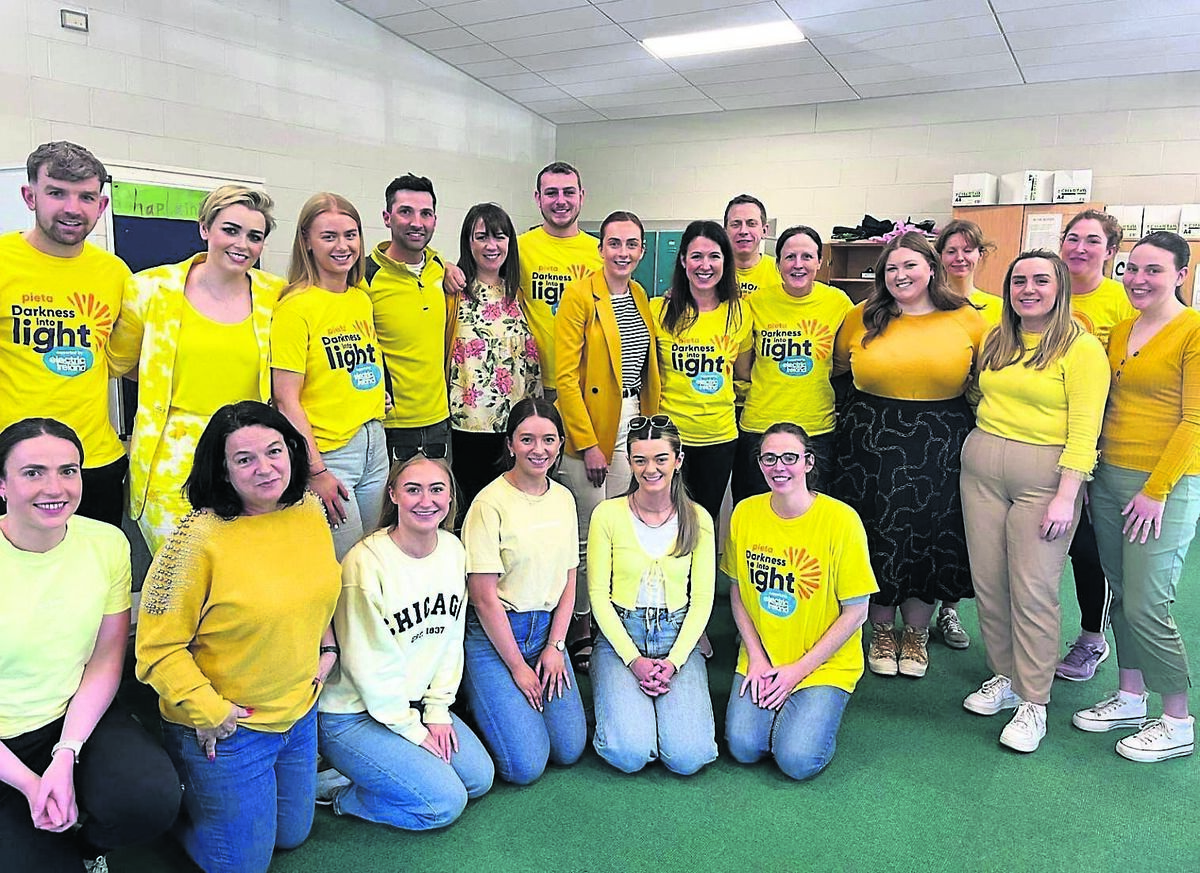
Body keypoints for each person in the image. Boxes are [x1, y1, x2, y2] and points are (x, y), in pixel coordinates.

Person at [135, 401, 341, 873]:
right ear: (223, 470)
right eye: (244, 459)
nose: (265, 468)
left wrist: (327, 647)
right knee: (242, 866)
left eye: (274, 451)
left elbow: (314, 591)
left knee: (292, 836)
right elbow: (155, 648)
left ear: (292, 450)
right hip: (227, 727)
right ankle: (173, 811)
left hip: (298, 712)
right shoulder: (195, 540)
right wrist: (210, 710)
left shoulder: (309, 509)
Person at [0, 418, 180, 873]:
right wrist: (30, 784)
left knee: (151, 799)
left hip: (73, 718)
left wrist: (66, 753)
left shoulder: (106, 543)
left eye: (69, 470)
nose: (54, 487)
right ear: (2, 485)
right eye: (33, 472)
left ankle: (86, 843)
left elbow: (104, 661)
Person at [959, 251, 1109, 753]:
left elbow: (1086, 430)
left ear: (1059, 286)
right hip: (982, 466)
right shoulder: (997, 338)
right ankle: (1004, 676)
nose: (1028, 289)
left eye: (1040, 280)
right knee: (989, 581)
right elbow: (981, 398)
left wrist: (1068, 495)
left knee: (1034, 587)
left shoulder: (1080, 348)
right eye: (1018, 281)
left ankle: (1034, 699)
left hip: (1045, 478)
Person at [833, 231, 987, 679]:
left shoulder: (968, 318)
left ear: (932, 269)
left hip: (940, 441)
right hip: (869, 441)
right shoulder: (862, 316)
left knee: (929, 534)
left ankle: (916, 633)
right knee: (875, 532)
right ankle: (880, 628)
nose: (900, 275)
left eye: (910, 266)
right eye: (891, 268)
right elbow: (839, 369)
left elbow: (982, 378)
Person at [1073, 232, 1200, 762]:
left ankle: (1177, 719)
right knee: (1121, 592)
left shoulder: (1193, 330)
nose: (1138, 279)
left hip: (1162, 486)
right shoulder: (1122, 329)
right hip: (1110, 478)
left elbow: (1195, 419)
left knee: (1150, 602)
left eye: (1153, 270)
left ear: (1180, 275)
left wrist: (1156, 490)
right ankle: (1130, 695)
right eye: (1132, 269)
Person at [317, 454, 494, 828]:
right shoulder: (365, 563)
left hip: (410, 703)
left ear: (450, 499)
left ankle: (377, 770)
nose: (425, 500)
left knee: (478, 779)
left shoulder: (452, 550)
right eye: (413, 490)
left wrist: (438, 711)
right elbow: (368, 666)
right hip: (354, 714)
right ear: (394, 494)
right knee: (444, 804)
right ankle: (341, 792)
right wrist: (412, 730)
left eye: (436, 490)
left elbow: (449, 642)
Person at [108, 184, 282, 553]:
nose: (241, 244)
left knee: (241, 580)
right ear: (205, 228)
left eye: (255, 236)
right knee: (182, 583)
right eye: (230, 230)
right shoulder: (150, 289)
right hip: (171, 465)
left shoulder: (276, 295)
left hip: (250, 461)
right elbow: (121, 363)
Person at [724, 423, 876, 780]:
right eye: (770, 458)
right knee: (744, 748)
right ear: (759, 464)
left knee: (796, 761)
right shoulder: (744, 513)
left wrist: (795, 673)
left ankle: (812, 705)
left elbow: (857, 611)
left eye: (790, 457)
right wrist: (757, 660)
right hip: (764, 657)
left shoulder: (841, 521)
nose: (780, 467)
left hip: (823, 664)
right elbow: (738, 592)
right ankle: (785, 706)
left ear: (808, 462)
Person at [0, 142, 130, 527]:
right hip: (15, 464)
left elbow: (126, 360)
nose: (73, 208)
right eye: (57, 192)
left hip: (94, 462)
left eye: (86, 196)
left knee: (97, 580)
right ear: (30, 195)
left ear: (101, 206)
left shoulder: (115, 273)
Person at [459, 398, 586, 785]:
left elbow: (569, 579)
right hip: (497, 637)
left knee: (569, 749)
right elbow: (482, 596)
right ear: (510, 444)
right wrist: (517, 667)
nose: (539, 449)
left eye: (549, 439)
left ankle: (504, 707)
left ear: (561, 443)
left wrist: (556, 647)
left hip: (546, 631)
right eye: (527, 439)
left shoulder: (564, 498)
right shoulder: (489, 503)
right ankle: (478, 700)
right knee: (526, 766)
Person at [556, 210, 662, 670]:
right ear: (600, 249)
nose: (623, 252)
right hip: (595, 428)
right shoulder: (580, 295)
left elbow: (644, 367)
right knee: (584, 534)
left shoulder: (638, 294)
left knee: (620, 530)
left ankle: (610, 619)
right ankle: (579, 624)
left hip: (634, 421)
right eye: (614, 243)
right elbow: (564, 376)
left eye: (631, 245)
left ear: (641, 251)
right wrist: (588, 442)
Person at [586, 414, 717, 775]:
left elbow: (703, 598)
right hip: (622, 635)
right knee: (629, 754)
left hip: (677, 638)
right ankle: (617, 700)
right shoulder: (607, 515)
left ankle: (651, 706)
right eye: (640, 459)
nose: (650, 469)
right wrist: (635, 661)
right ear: (629, 462)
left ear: (678, 460)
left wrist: (673, 662)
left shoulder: (699, 518)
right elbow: (598, 596)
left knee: (688, 758)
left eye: (661, 459)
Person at [272, 193, 387, 560]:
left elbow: (352, 366)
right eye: (329, 236)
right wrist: (316, 469)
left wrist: (370, 395)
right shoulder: (295, 307)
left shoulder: (359, 298)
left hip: (373, 441)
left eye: (351, 235)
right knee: (341, 564)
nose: (343, 246)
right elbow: (285, 398)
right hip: (330, 453)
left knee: (369, 560)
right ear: (306, 239)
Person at [1055, 209, 1137, 682]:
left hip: (1100, 440)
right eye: (1072, 238)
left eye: (1092, 240)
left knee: (1089, 547)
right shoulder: (1048, 293)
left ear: (1110, 252)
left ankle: (1091, 638)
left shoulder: (1121, 302)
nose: (1079, 247)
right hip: (1043, 437)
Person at [445, 162, 603, 402]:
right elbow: (480, 268)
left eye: (569, 192)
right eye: (551, 193)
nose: (561, 200)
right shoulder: (518, 248)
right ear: (538, 198)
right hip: (535, 385)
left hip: (588, 384)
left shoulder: (601, 253)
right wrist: (443, 267)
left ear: (582, 196)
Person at [733, 225, 852, 503]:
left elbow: (845, 360)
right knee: (754, 511)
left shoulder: (838, 303)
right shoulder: (756, 303)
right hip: (760, 426)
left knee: (810, 517)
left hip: (815, 429)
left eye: (807, 257)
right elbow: (742, 363)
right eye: (789, 257)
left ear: (820, 262)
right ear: (777, 264)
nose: (798, 265)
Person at [931, 218, 1002, 649]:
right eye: (951, 250)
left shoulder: (995, 307)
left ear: (980, 255)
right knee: (931, 512)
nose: (959, 258)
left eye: (967, 250)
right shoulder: (928, 301)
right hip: (937, 420)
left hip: (980, 420)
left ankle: (950, 609)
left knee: (960, 518)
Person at [652, 220, 751, 528]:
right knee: (664, 521)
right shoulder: (658, 309)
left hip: (718, 438)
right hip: (668, 437)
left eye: (714, 256)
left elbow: (743, 371)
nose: (704, 265)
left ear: (726, 261)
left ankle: (700, 579)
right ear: (682, 260)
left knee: (703, 524)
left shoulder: (741, 312)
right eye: (696, 256)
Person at [446, 203, 541, 517]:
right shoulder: (452, 291)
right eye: (482, 237)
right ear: (468, 242)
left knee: (515, 512)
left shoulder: (520, 292)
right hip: (469, 427)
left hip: (518, 427)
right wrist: (443, 266)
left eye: (499, 237)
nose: (491, 245)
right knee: (475, 514)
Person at [365, 174, 451, 462]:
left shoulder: (439, 268)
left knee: (437, 506)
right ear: (387, 217)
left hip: (440, 421)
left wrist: (447, 265)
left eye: (425, 213)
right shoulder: (365, 277)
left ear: (435, 220)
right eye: (406, 212)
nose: (417, 222)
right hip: (390, 425)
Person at [725, 194, 783, 297]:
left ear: (764, 231)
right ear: (725, 232)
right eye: (735, 224)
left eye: (751, 224)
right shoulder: (712, 270)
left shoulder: (781, 271)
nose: (743, 231)